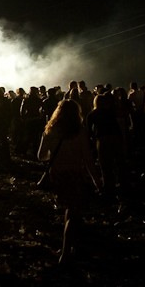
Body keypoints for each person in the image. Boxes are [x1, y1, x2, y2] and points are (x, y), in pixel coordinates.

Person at [37, 98, 100, 266]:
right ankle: (66, 252)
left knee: (70, 211)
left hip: (57, 175)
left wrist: (55, 156)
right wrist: (96, 180)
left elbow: (40, 156)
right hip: (75, 175)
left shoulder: (50, 130)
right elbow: (88, 159)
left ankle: (73, 246)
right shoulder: (80, 131)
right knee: (74, 213)